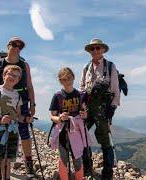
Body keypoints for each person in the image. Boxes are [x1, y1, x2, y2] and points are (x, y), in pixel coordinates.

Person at [0, 36, 37, 178]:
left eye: (20, 46)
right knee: (1, 131)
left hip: (21, 100)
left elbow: (29, 86)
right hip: (2, 101)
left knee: (23, 132)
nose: (17, 48)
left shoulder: (24, 65)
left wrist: (32, 104)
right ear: (8, 45)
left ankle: (28, 163)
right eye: (14, 45)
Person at [80, 38, 120, 180]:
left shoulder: (110, 67)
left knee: (105, 141)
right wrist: (82, 106)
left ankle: (107, 173)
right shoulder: (86, 68)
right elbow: (82, 89)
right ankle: (87, 166)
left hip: (103, 109)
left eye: (98, 48)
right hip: (88, 109)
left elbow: (115, 89)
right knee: (82, 135)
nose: (95, 51)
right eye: (92, 49)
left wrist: (112, 108)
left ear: (103, 50)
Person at [0, 65, 28, 180]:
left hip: (12, 131)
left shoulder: (17, 95)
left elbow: (17, 115)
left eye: (16, 76)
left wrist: (26, 119)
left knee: (7, 162)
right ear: (4, 75)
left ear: (18, 80)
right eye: (10, 74)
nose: (13, 77)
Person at [49, 66, 92, 180]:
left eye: (69, 78)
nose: (67, 81)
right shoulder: (57, 96)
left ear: (73, 77)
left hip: (76, 130)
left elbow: (85, 112)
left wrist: (85, 115)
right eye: (63, 79)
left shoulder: (81, 95)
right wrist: (60, 118)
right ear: (60, 81)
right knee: (64, 158)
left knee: (77, 156)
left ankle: (78, 177)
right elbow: (52, 116)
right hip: (63, 130)